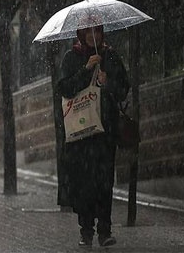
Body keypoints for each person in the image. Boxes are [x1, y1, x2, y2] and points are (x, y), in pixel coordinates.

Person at [57, 25, 130, 247]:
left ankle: (105, 230)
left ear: (101, 33)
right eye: (88, 32)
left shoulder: (110, 56)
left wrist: (109, 83)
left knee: (105, 181)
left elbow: (123, 89)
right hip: (81, 134)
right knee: (84, 183)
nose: (92, 36)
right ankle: (86, 229)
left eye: (96, 31)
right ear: (81, 35)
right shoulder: (72, 57)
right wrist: (86, 70)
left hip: (104, 131)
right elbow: (65, 88)